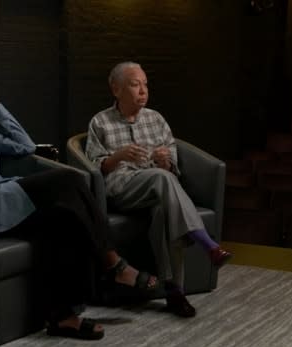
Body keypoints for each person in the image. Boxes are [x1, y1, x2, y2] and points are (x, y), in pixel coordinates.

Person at [0, 50, 159, 341]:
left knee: (65, 217)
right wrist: (20, 185)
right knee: (68, 179)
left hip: (1, 198)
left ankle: (63, 317)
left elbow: (25, 145)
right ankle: (114, 265)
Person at [85, 61, 232, 318]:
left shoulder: (156, 119)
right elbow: (94, 167)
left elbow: (172, 164)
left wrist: (166, 161)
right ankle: (207, 244)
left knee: (165, 207)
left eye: (145, 84)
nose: (143, 90)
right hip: (121, 189)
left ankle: (175, 292)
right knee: (162, 179)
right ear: (116, 89)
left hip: (156, 188)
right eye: (135, 84)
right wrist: (118, 156)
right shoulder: (101, 122)